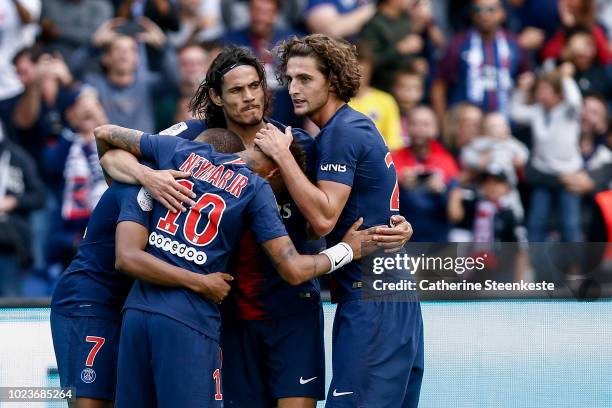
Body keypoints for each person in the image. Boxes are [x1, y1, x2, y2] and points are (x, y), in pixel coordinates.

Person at [98, 46, 413, 408]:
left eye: (255, 86)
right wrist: (148, 177)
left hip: (292, 310)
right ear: (216, 96)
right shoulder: (193, 139)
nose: (249, 97)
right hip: (229, 313)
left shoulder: (298, 144)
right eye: (236, 90)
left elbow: (337, 209)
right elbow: (111, 153)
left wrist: (397, 228)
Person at [93, 121, 379, 408]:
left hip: (137, 311)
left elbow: (104, 135)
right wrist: (347, 250)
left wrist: (147, 176)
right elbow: (293, 268)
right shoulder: (255, 187)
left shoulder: (180, 149)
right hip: (190, 317)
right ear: (275, 170)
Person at [255, 34, 422, 407]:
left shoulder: (341, 133)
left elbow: (324, 218)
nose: (294, 89)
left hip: (372, 299)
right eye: (290, 79)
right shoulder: (354, 125)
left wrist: (282, 157)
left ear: (332, 80)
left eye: (305, 79)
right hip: (390, 295)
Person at [50, 129, 241, 408]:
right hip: (90, 302)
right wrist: (200, 282)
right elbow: (127, 259)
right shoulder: (148, 181)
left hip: (132, 309)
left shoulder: (193, 197)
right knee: (91, 402)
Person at [511, 63, 584, 243]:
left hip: (569, 174)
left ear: (558, 93)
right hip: (543, 173)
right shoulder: (536, 112)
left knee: (570, 224)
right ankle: (534, 267)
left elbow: (575, 101)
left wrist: (565, 78)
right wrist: (522, 90)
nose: (540, 93)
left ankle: (576, 269)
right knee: (536, 222)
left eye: (546, 89)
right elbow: (515, 113)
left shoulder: (568, 111)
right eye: (539, 89)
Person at [431, 0, 530, 122]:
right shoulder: (458, 44)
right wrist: (443, 123)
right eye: (478, 10)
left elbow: (526, 77)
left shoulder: (513, 44)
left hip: (504, 125)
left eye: (491, 9)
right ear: (472, 14)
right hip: (465, 127)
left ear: (502, 13)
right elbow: (439, 85)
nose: (484, 15)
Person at [0, 120, 45, 296]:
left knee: (10, 299)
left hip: (8, 240)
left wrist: (13, 201)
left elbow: (40, 196)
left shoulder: (17, 157)